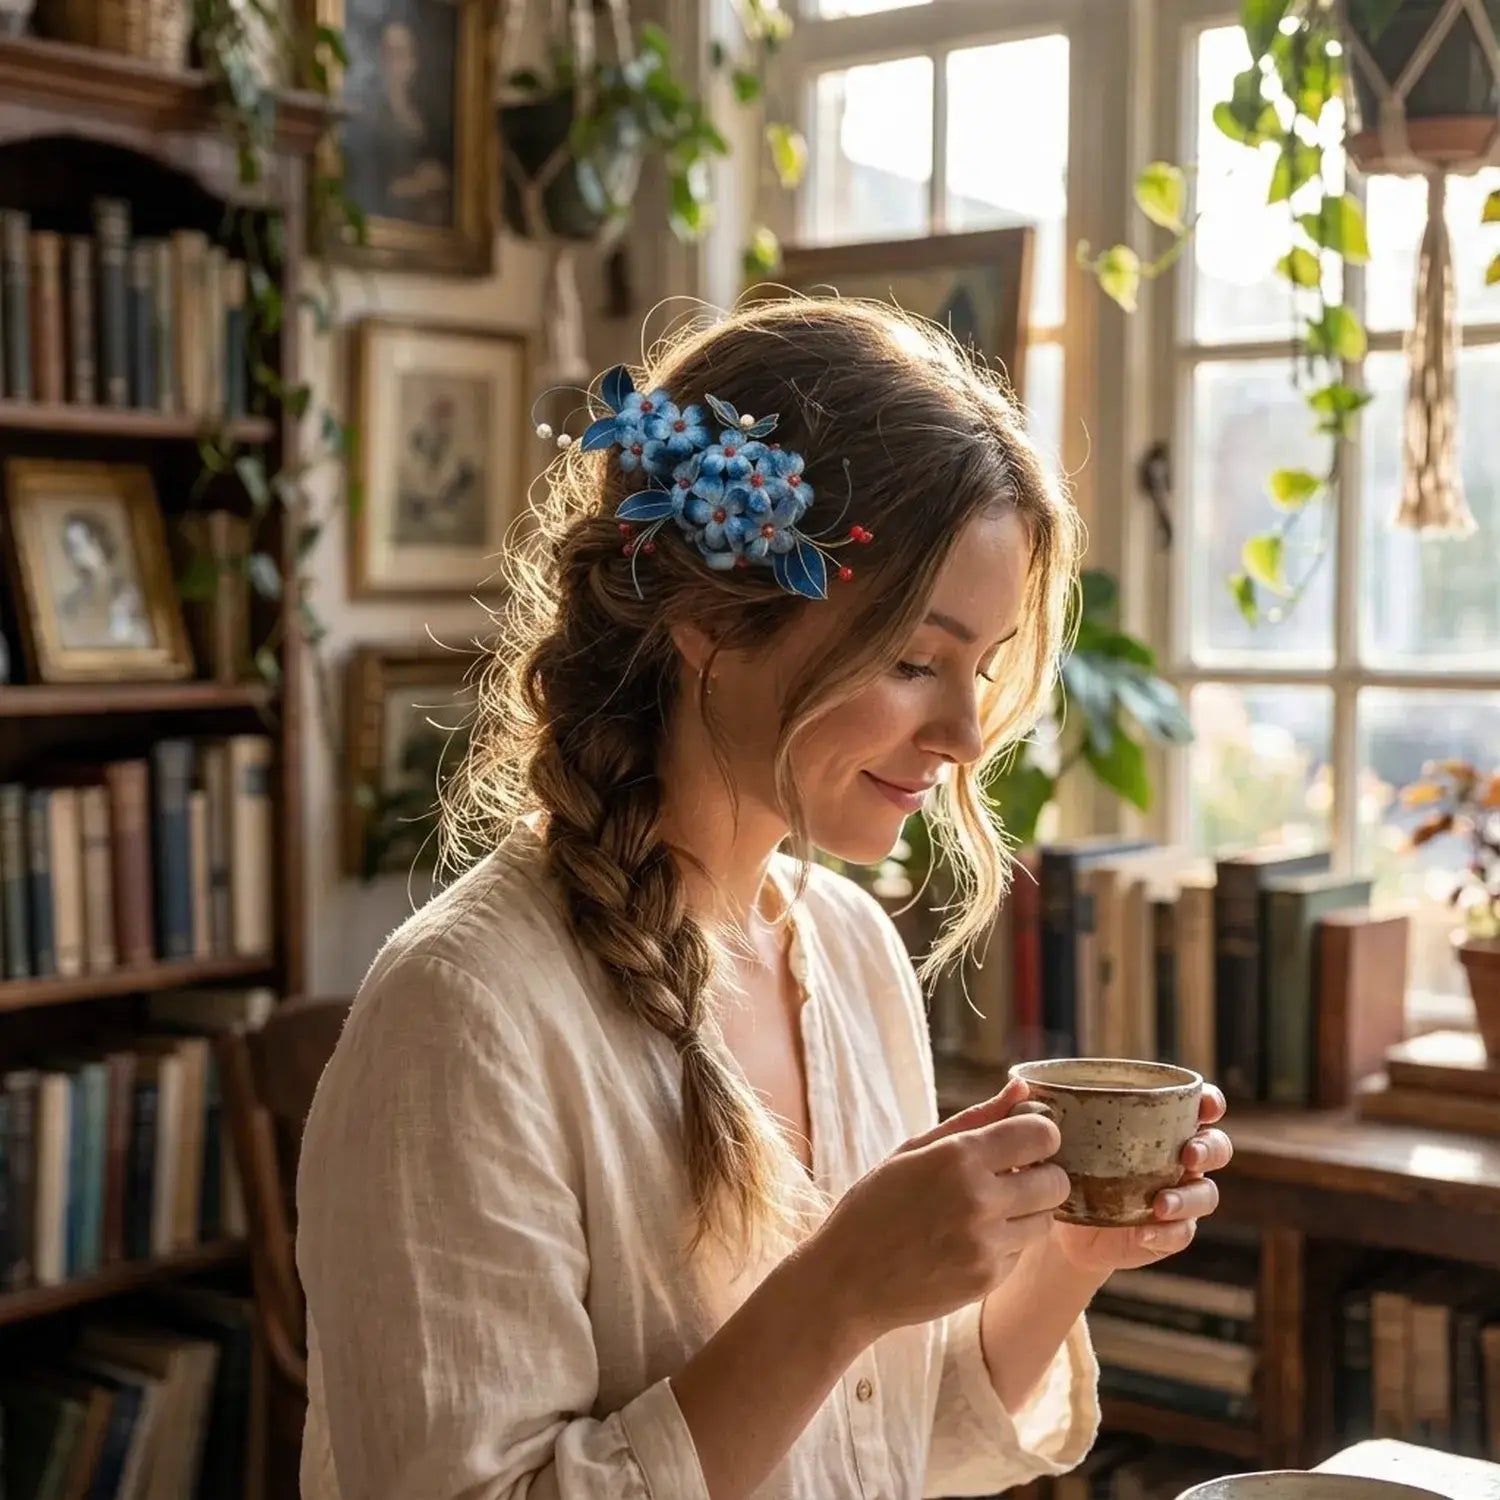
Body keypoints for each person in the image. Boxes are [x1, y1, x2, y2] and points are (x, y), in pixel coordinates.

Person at [295, 298, 1233, 1500]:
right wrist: (836, 1287)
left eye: (982, 668)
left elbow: (887, 1447)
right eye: (911, 660)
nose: (959, 735)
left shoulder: (845, 951)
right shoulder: (464, 1015)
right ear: (711, 622)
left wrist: (1069, 1254)